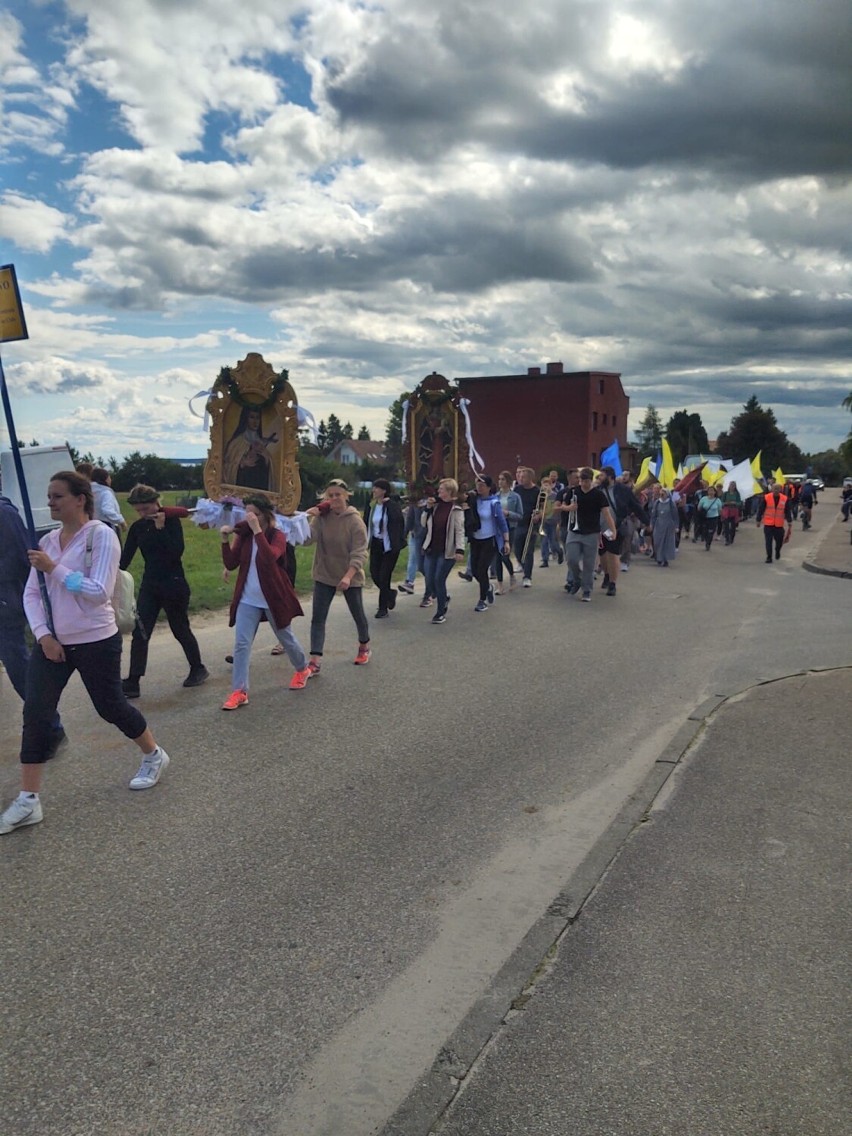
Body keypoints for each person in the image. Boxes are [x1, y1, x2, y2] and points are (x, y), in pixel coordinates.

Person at [0, 471, 170, 835]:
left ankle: (153, 754)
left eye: (58, 495)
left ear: (81, 498)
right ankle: (29, 799)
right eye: (49, 496)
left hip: (96, 639)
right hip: (53, 644)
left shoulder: (101, 536)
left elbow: (97, 590)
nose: (51, 502)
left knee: (110, 707)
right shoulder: (47, 540)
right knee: (36, 712)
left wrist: (55, 569)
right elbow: (32, 594)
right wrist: (44, 635)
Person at [219, 493, 309, 708]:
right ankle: (239, 691)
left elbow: (270, 558)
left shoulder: (277, 535)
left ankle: (302, 668)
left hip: (273, 597)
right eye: (248, 513)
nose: (251, 518)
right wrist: (224, 540)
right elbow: (231, 563)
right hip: (248, 599)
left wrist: (258, 531)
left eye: (256, 514)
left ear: (266, 515)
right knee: (241, 644)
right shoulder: (244, 535)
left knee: (285, 636)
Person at [120, 484, 209, 698]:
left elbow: (174, 553)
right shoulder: (138, 528)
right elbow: (125, 557)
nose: (142, 513)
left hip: (174, 583)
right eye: (138, 510)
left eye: (145, 508)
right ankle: (133, 681)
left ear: (156, 502)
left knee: (180, 628)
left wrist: (161, 529)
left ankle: (198, 667)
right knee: (140, 632)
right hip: (150, 586)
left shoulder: (171, 522)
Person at [0, 494, 66, 756]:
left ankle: (50, 726)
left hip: (5, 603)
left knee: (19, 668)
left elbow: (20, 558)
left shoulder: (4, 514)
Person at [303, 477, 371, 670]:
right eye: (330, 495)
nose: (334, 499)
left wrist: (348, 576)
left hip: (349, 575)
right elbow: (308, 540)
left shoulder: (355, 521)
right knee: (318, 618)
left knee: (357, 614)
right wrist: (307, 517)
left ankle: (364, 645)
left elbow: (359, 552)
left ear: (346, 496)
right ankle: (315, 659)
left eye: (338, 495)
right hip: (325, 573)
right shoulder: (322, 518)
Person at [562, 468, 616, 602]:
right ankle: (577, 579)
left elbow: (606, 514)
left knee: (589, 564)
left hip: (591, 533)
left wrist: (613, 530)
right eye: (581, 481)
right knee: (571, 559)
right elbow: (563, 506)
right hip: (574, 531)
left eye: (586, 481)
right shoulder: (573, 491)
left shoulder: (598, 495)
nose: (583, 484)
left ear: (591, 480)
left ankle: (586, 590)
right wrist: (569, 508)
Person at [421, 478, 465, 624]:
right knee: (429, 579)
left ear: (449, 491)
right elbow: (423, 523)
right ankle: (443, 597)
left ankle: (440, 612)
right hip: (432, 548)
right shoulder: (435, 506)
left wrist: (460, 549)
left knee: (439, 579)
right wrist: (427, 508)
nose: (439, 491)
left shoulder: (456, 509)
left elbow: (459, 530)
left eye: (442, 489)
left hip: (447, 551)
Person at [466, 475, 510, 611]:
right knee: (474, 570)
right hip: (475, 539)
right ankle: (488, 587)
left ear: (489, 487)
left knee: (482, 568)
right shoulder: (474, 500)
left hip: (489, 540)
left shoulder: (494, 502)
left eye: (482, 485)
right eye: (477, 484)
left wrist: (506, 541)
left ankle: (482, 599)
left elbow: (502, 523)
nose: (479, 487)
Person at [363, 478, 405, 619]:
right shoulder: (372, 506)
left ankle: (383, 608)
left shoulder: (392, 506)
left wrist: (398, 542)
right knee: (374, 574)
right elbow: (366, 523)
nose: (374, 490)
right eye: (373, 488)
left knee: (384, 576)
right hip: (376, 543)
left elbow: (399, 523)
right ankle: (390, 593)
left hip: (389, 546)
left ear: (384, 491)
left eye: (377, 488)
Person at [223, 406, 277, 490]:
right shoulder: (237, 442)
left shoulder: (261, 443)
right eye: (252, 417)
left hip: (260, 490)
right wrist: (242, 463)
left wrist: (267, 459)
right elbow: (227, 466)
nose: (255, 421)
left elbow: (269, 469)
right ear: (245, 419)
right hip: (242, 488)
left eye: (257, 418)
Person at [493, 471, 522, 593]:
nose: (500, 481)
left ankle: (512, 576)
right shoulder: (495, 496)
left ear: (508, 482)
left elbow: (520, 515)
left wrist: (508, 513)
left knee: (505, 556)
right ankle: (500, 584)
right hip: (497, 529)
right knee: (497, 558)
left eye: (503, 479)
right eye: (499, 479)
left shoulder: (515, 497)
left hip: (510, 527)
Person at [513, 467, 542, 587]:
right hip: (518, 522)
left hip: (531, 524)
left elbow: (542, 507)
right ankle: (522, 565)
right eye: (520, 476)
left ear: (530, 478)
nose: (520, 478)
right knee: (518, 550)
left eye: (523, 477)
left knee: (528, 550)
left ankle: (527, 576)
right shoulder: (517, 489)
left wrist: (539, 515)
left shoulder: (537, 491)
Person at [398, 492, 427, 595]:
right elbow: (410, 519)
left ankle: (435, 584)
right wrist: (404, 534)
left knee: (424, 564)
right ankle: (409, 582)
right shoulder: (413, 504)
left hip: (427, 537)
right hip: (415, 535)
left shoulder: (429, 502)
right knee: (413, 559)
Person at [757, 481, 793, 563]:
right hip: (768, 524)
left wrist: (789, 521)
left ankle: (777, 551)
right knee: (768, 541)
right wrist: (758, 520)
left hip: (779, 525)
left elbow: (787, 511)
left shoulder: (785, 498)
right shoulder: (766, 497)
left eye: (778, 488)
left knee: (779, 541)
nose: (776, 490)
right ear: (772, 489)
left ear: (780, 489)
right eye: (774, 488)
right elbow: (761, 509)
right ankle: (769, 557)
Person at [650, 488, 679, 566]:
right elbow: (654, 515)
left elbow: (675, 515)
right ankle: (658, 557)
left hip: (668, 525)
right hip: (658, 525)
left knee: (667, 543)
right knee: (657, 542)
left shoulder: (671, 503)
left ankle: (665, 559)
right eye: (661, 493)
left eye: (664, 493)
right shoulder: (657, 502)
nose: (662, 494)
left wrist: (676, 526)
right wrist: (651, 524)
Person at [697, 486, 722, 550]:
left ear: (714, 492)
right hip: (705, 518)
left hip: (714, 518)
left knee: (711, 531)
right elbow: (699, 508)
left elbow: (720, 510)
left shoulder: (717, 500)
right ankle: (705, 538)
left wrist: (719, 516)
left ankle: (708, 543)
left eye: (712, 491)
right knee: (705, 531)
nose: (711, 492)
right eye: (709, 490)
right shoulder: (703, 499)